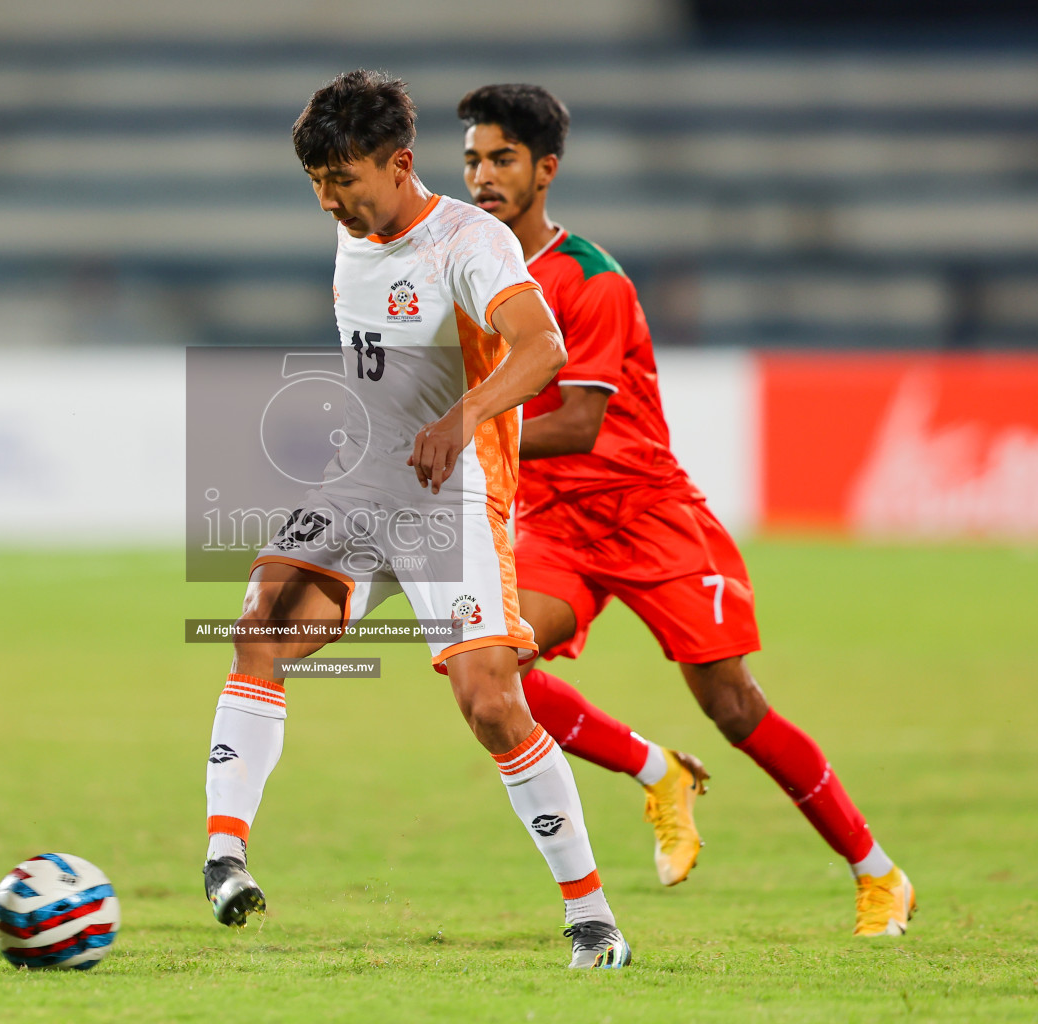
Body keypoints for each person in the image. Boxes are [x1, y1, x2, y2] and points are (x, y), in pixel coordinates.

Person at [457, 83, 916, 937]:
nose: (483, 175)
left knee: (733, 704)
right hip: (554, 521)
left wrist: (463, 431)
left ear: (545, 170)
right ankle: (654, 770)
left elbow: (583, 423)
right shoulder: (471, 275)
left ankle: (878, 873)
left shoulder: (588, 278)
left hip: (646, 513)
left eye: (503, 159)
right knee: (483, 670)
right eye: (474, 158)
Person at [201, 70, 632, 969]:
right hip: (364, 487)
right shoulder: (352, 236)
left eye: (344, 182)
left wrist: (463, 417)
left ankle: (594, 919)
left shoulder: (467, 243)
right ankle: (225, 858)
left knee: (490, 705)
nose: (329, 201)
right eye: (316, 184)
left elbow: (544, 348)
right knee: (260, 627)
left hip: (457, 493)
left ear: (400, 165)